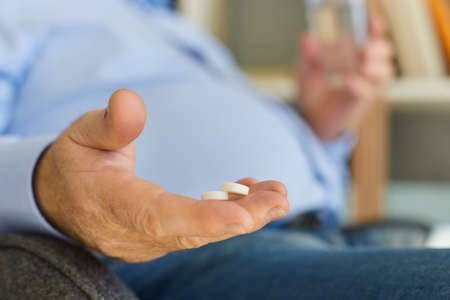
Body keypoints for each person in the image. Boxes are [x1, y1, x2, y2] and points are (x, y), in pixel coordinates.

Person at [1, 1, 448, 299]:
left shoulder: (176, 26)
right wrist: (45, 185)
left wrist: (320, 127)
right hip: (206, 255)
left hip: (335, 234)